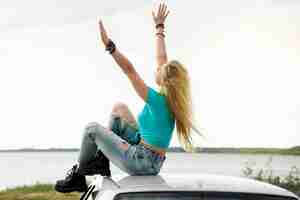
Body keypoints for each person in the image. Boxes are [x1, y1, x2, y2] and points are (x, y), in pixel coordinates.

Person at [54, 2, 205, 193]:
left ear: (165, 80)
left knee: (91, 129)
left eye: (160, 70)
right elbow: (162, 57)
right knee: (119, 109)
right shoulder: (172, 99)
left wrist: (110, 46)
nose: (157, 68)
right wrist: (159, 28)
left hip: (142, 161)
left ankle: (80, 175)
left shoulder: (157, 100)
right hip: (150, 157)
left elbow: (129, 70)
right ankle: (101, 159)